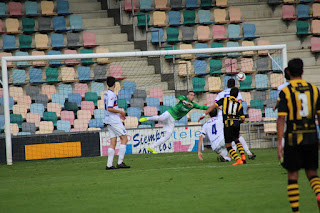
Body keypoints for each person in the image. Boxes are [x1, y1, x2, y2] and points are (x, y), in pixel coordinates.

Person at [277, 58, 320, 212]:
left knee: (293, 175)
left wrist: (279, 144)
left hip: (293, 136)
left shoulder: (286, 91)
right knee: (312, 173)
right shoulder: (314, 90)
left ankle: (296, 211)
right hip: (311, 134)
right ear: (302, 71)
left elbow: (281, 118)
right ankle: (319, 194)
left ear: (288, 72)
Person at [139, 91, 209, 154]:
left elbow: (202, 107)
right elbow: (178, 96)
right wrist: (184, 101)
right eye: (191, 95)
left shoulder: (193, 105)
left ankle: (151, 147)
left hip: (173, 119)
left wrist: (214, 106)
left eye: (193, 95)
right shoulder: (184, 98)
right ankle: (147, 118)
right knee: (161, 118)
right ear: (187, 96)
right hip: (170, 112)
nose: (192, 96)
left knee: (167, 136)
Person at [199, 87, 246, 165]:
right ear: (237, 95)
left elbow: (213, 106)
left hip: (227, 125)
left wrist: (204, 114)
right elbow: (243, 118)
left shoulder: (224, 100)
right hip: (236, 124)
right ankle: (243, 156)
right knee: (237, 141)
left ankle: (237, 159)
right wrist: (239, 121)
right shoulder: (239, 104)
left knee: (228, 144)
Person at [216, 78, 256, 160]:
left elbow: (216, 104)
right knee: (237, 137)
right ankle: (247, 153)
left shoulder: (221, 93)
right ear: (234, 85)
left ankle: (227, 156)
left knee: (226, 138)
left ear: (226, 85)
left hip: (221, 117)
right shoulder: (237, 93)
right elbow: (239, 104)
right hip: (232, 118)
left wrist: (224, 109)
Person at [104, 76, 130, 170]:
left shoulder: (106, 94)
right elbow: (110, 108)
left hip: (109, 120)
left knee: (113, 141)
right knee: (124, 139)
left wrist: (118, 115)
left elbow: (110, 108)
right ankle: (120, 162)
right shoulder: (112, 95)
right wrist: (121, 112)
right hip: (114, 121)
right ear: (115, 84)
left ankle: (109, 165)